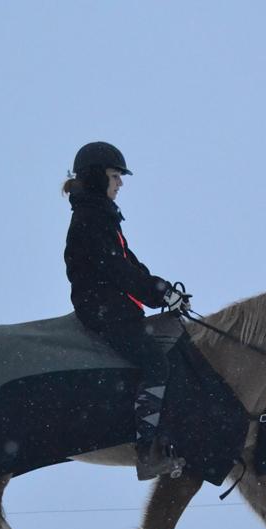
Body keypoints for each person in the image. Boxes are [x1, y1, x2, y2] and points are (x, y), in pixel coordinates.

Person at [62, 141, 191, 480]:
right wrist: (159, 293)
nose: (120, 183)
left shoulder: (101, 214)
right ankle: (147, 452)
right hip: (105, 313)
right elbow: (117, 270)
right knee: (155, 362)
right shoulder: (91, 218)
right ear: (95, 177)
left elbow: (130, 263)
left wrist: (165, 291)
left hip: (115, 309)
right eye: (115, 175)